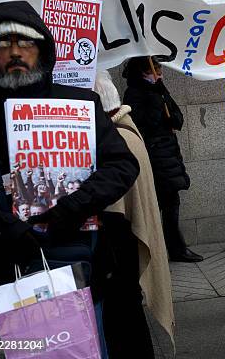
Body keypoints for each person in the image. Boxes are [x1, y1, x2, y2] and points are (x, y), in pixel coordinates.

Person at [0, 0, 139, 326]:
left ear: (42, 48)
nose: (15, 53)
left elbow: (122, 166)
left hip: (81, 259)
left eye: (25, 42)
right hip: (9, 270)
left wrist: (71, 207)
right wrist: (3, 227)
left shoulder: (79, 104)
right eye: (2, 44)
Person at [94, 70, 175, 358]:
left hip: (119, 246)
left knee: (123, 315)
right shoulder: (124, 129)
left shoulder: (117, 137)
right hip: (122, 246)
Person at [122, 56, 202, 263]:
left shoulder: (159, 88)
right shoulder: (135, 93)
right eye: (154, 69)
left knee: (170, 203)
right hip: (154, 155)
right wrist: (155, 100)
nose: (159, 73)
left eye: (159, 68)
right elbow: (143, 123)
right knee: (162, 203)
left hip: (168, 154)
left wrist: (162, 97)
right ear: (142, 72)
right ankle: (168, 249)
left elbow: (177, 119)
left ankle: (174, 248)